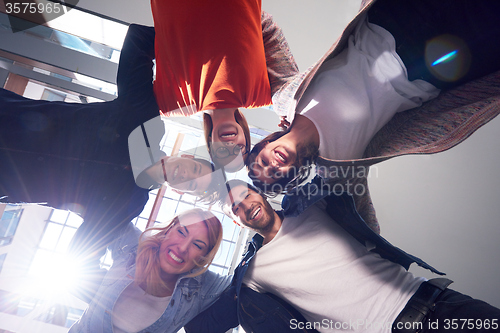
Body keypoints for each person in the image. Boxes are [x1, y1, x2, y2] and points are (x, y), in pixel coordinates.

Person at [247, 0, 500, 226]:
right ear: (292, 178)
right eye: (274, 176)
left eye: (262, 162)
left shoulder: (284, 99)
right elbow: (364, 225)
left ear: (265, 144)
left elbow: (264, 29)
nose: (272, 166)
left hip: (394, 18)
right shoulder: (338, 170)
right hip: (433, 68)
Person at [0, 24, 223, 262]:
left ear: (179, 191)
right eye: (196, 170)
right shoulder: (144, 121)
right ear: (187, 157)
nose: (187, 176)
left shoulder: (130, 204)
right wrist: (199, 43)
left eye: (191, 186)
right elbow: (139, 40)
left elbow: (81, 252)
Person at [185, 179, 500, 333]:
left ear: (261, 192)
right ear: (237, 220)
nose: (244, 206)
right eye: (234, 208)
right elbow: (204, 326)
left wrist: (295, 141)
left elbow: (342, 165)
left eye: (245, 195)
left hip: (434, 301)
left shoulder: (309, 204)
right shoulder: (251, 273)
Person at [149, 0, 298, 171]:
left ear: (210, 145)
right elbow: (268, 28)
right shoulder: (263, 95)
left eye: (222, 153)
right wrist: (290, 107)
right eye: (240, 150)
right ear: (246, 138)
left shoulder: (170, 105)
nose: (230, 146)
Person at [69, 208, 232, 333]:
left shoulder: (204, 285)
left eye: (197, 245)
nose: (182, 248)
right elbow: (103, 211)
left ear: (204, 256)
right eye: (181, 232)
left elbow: (250, 277)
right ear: (169, 229)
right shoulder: (133, 245)